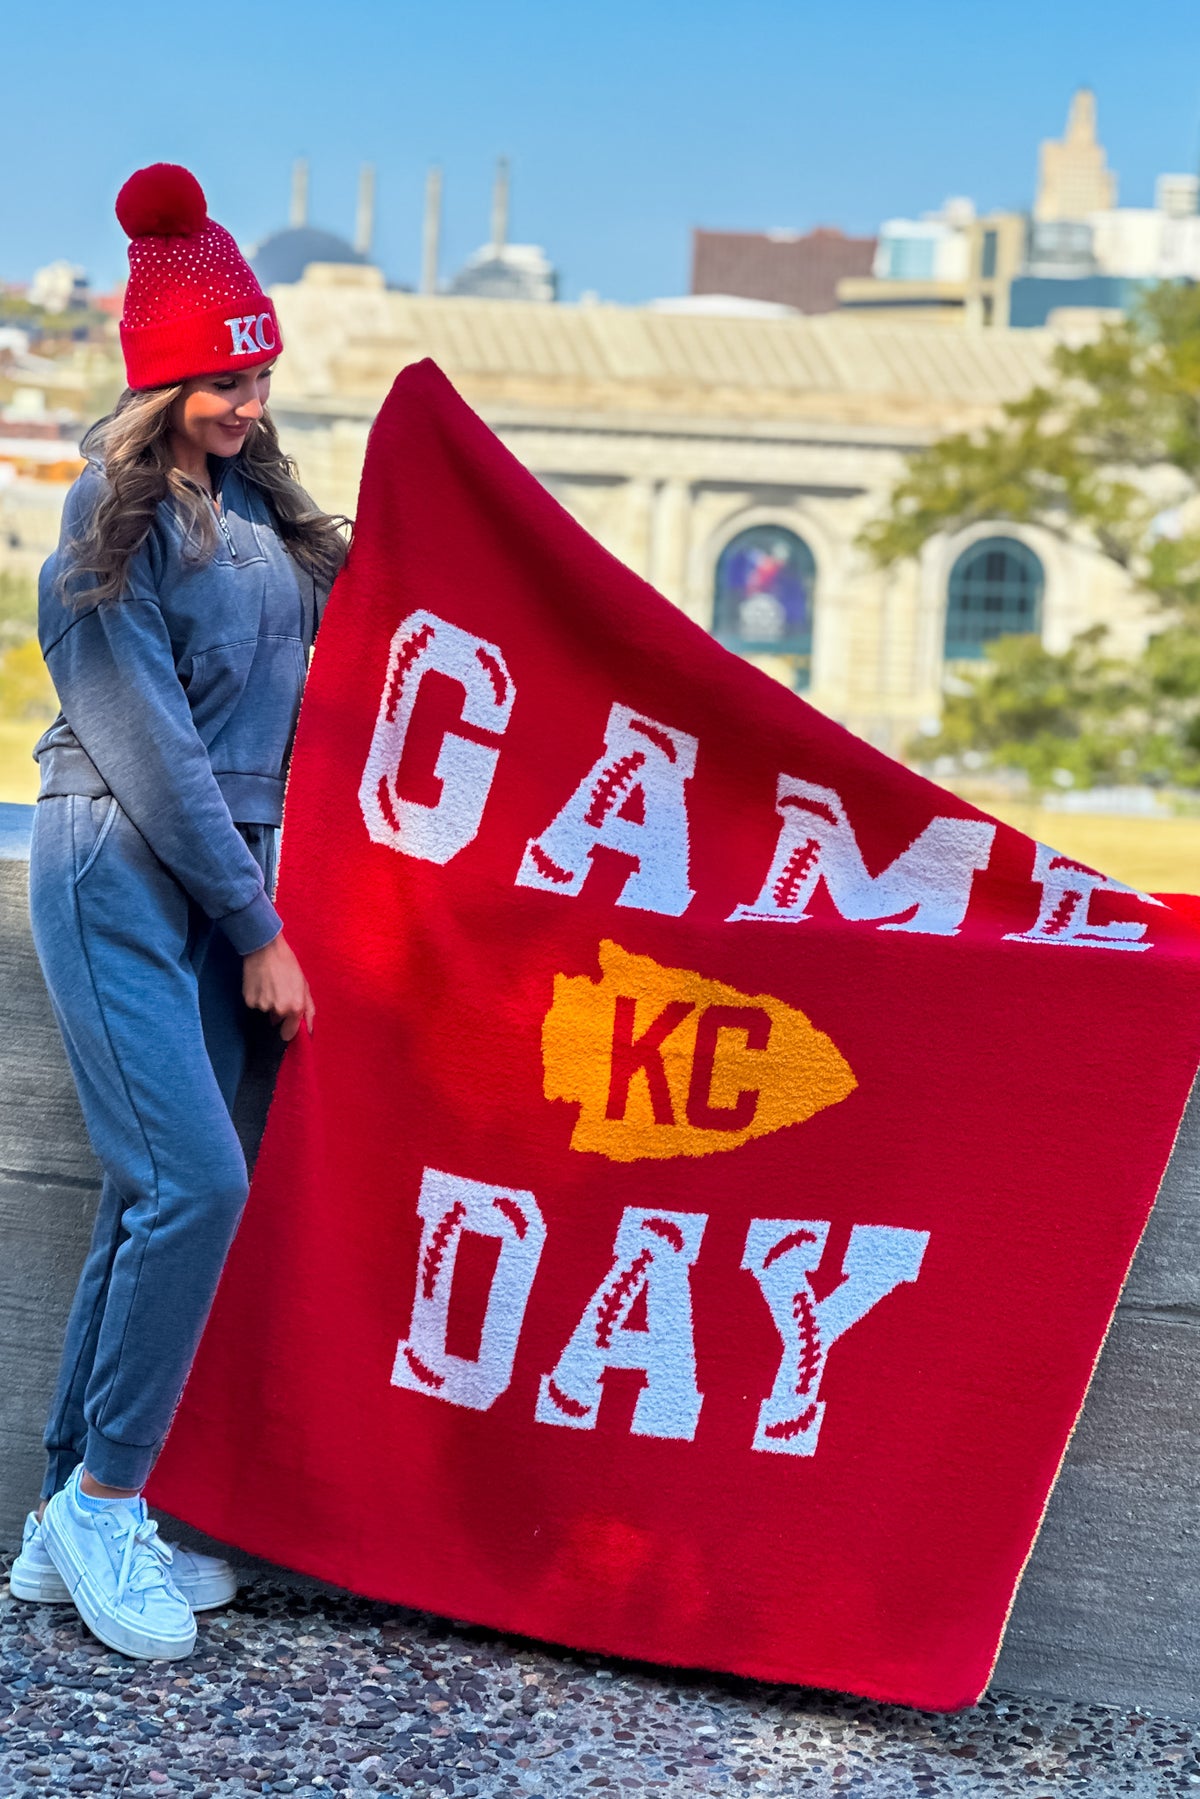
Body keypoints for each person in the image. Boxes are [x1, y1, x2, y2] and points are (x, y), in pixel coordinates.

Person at [8, 164, 348, 1661]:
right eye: (220, 377)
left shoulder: (258, 519)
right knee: (198, 1187)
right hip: (121, 865)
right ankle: (108, 1494)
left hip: (225, 876)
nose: (247, 399)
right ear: (157, 384)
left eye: (259, 370)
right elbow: (145, 743)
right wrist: (261, 929)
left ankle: (62, 1522)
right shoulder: (107, 525)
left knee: (157, 1195)